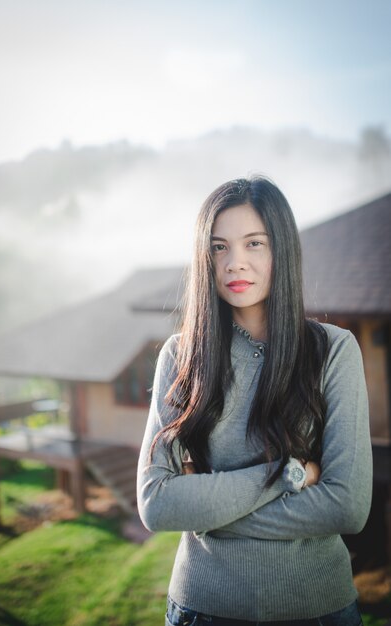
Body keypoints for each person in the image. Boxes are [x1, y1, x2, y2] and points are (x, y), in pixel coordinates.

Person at [137, 176, 372, 626]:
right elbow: (157, 503)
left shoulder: (334, 350)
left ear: (281, 248)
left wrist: (209, 506)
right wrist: (290, 474)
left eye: (254, 244)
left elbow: (347, 505)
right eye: (219, 247)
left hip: (318, 608)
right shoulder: (181, 355)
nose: (235, 263)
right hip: (202, 608)